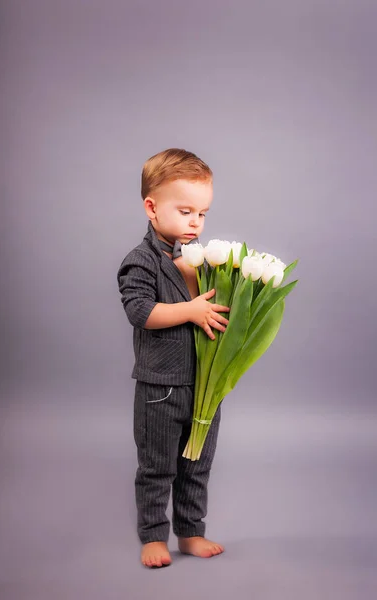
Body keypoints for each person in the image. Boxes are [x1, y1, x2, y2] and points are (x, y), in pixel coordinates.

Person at [117, 148, 230, 568]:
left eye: (202, 213)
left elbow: (218, 309)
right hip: (160, 389)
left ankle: (190, 532)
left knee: (196, 467)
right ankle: (152, 536)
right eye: (185, 211)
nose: (195, 222)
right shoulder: (140, 261)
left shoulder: (199, 261)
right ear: (151, 207)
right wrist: (191, 310)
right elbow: (140, 312)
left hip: (203, 387)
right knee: (157, 468)